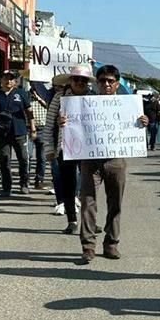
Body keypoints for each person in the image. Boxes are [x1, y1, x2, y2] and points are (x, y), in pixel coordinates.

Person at [73, 65, 148, 264]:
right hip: (90, 159)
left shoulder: (128, 106)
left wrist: (143, 121)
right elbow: (73, 126)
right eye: (102, 80)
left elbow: (137, 128)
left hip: (116, 160)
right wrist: (66, 122)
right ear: (96, 83)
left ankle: (111, 243)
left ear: (116, 84)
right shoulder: (84, 105)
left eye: (110, 81)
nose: (106, 84)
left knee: (115, 202)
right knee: (88, 202)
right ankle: (88, 246)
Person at [45, 66, 93, 233]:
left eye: (83, 80)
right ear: (70, 81)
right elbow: (49, 124)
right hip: (65, 149)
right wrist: (49, 149)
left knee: (89, 187)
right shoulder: (59, 98)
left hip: (89, 150)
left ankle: (89, 221)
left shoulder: (95, 98)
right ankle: (72, 220)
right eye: (76, 79)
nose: (80, 82)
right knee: (69, 185)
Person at [0, 70, 35, 198]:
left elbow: (29, 111)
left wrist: (32, 126)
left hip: (19, 131)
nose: (8, 81)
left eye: (11, 79)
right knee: (4, 160)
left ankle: (24, 184)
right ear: (1, 79)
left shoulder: (21, 93)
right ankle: (6, 187)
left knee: (23, 159)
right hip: (2, 132)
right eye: (6, 78)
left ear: (15, 81)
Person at [29, 86, 51, 190]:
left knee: (41, 157)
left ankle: (39, 180)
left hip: (42, 129)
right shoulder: (25, 96)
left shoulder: (46, 96)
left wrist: (38, 98)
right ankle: (25, 180)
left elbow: (49, 107)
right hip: (27, 129)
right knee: (27, 157)